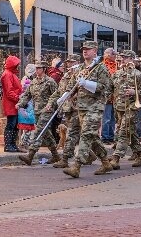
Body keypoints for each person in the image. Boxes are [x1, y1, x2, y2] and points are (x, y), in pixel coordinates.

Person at [63, 40, 113, 179]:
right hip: (82, 107)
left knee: (85, 135)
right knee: (93, 137)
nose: (85, 51)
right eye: (84, 49)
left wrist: (87, 83)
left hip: (95, 108)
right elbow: (72, 85)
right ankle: (105, 162)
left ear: (95, 51)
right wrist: (64, 96)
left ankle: (76, 166)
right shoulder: (79, 68)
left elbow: (105, 87)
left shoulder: (100, 68)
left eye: (88, 49)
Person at [109, 50, 141, 169]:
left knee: (123, 132)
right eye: (122, 58)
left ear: (131, 59)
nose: (123, 60)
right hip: (119, 107)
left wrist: (134, 92)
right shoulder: (117, 74)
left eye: (125, 58)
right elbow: (110, 89)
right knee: (130, 132)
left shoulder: (138, 74)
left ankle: (116, 157)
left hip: (132, 107)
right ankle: (140, 155)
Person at [18, 60, 60, 165]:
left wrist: (51, 105)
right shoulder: (33, 82)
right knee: (47, 134)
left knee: (39, 131)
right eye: (36, 68)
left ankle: (30, 156)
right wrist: (20, 104)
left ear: (44, 69)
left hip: (47, 111)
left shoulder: (50, 81)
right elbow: (27, 95)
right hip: (36, 111)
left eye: (39, 68)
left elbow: (57, 95)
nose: (37, 70)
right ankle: (56, 156)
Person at [47, 55, 83, 168]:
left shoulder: (82, 74)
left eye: (72, 62)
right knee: (84, 135)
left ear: (77, 62)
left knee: (72, 133)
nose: (70, 65)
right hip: (67, 109)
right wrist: (51, 102)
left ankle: (65, 159)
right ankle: (95, 155)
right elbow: (59, 91)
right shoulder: (66, 76)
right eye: (68, 63)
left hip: (79, 109)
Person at [1, 55, 22, 152]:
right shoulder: (8, 74)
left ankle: (12, 144)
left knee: (15, 124)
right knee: (11, 124)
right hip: (11, 103)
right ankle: (8, 145)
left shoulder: (11, 73)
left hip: (14, 103)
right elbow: (9, 92)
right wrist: (19, 98)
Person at [101, 47, 118, 144]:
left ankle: (111, 136)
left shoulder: (116, 65)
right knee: (106, 118)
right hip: (107, 96)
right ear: (108, 55)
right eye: (113, 54)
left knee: (112, 118)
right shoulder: (103, 66)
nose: (115, 56)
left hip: (114, 96)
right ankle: (105, 137)